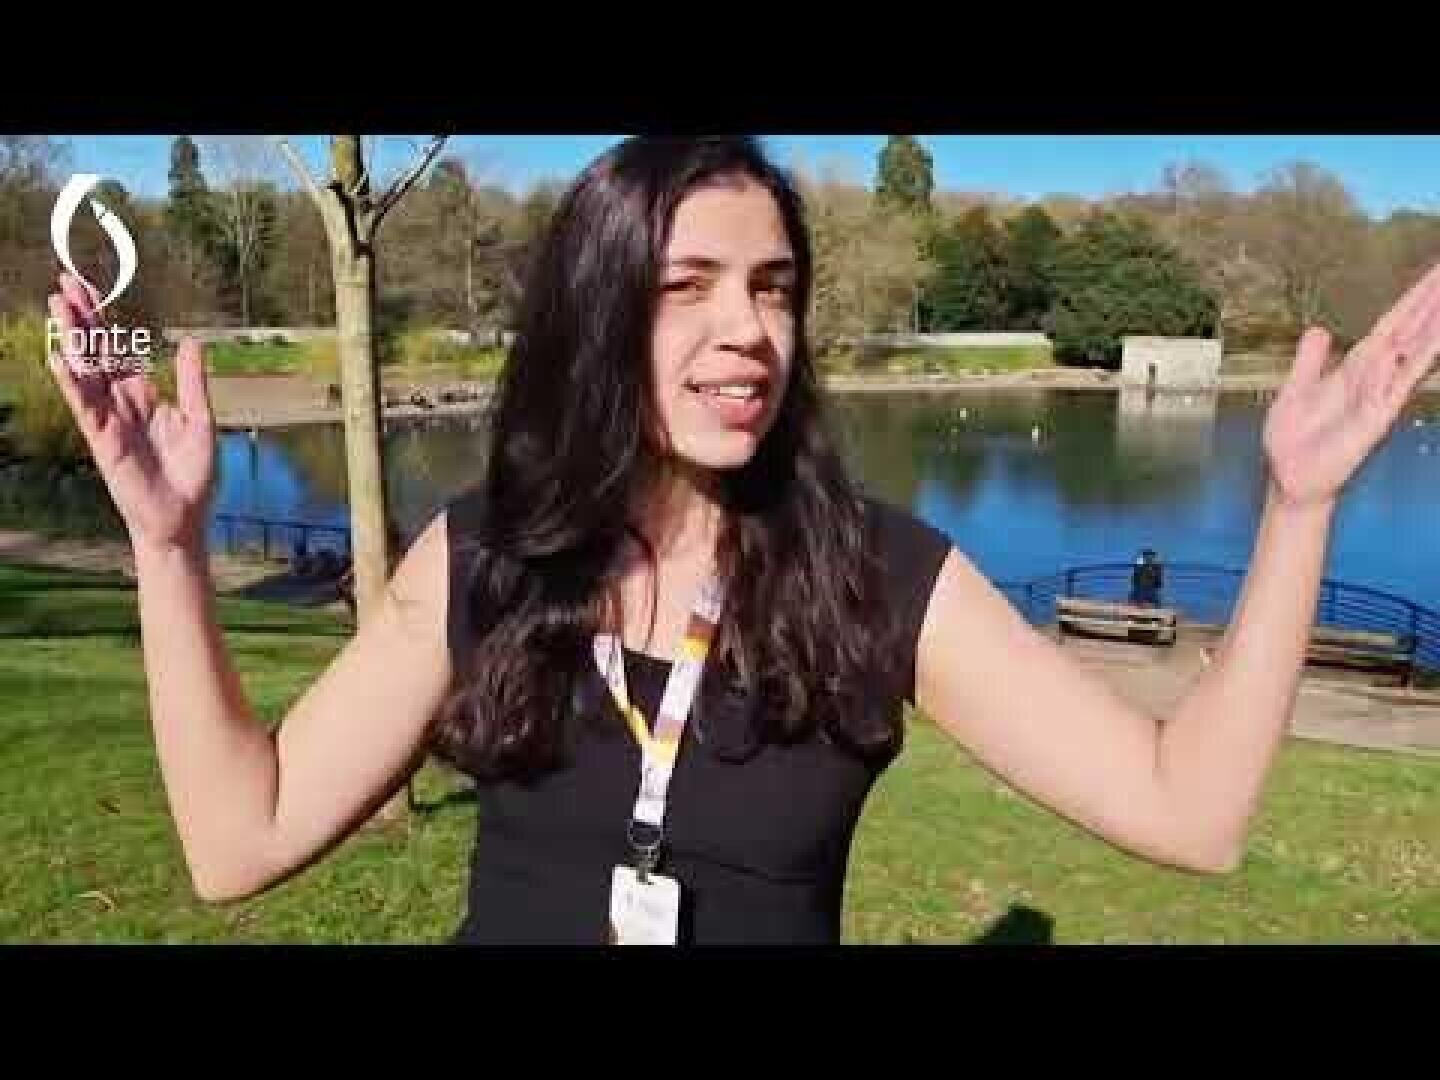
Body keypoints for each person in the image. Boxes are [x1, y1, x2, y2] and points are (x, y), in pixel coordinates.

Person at [43, 136, 1440, 945]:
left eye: (772, 287)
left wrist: (1299, 508)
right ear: (602, 315)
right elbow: (238, 842)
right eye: (688, 287)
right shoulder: (481, 561)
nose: (745, 331)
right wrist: (169, 550)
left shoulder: (881, 580)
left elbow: (1188, 812)